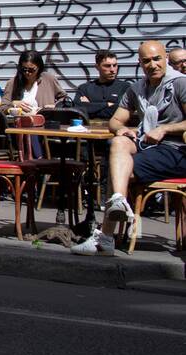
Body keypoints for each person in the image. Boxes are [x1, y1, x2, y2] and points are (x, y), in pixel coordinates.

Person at [73, 41, 186, 256]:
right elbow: (115, 121)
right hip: (149, 148)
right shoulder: (138, 89)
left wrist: (164, 129)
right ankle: (118, 204)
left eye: (156, 59)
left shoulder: (180, 84)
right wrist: (124, 129)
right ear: (140, 64)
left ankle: (104, 238)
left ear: (166, 58)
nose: (152, 64)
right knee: (118, 142)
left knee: (119, 171)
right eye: (146, 61)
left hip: (176, 150)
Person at [72, 50, 131, 121]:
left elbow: (119, 111)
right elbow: (77, 109)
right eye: (107, 66)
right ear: (97, 67)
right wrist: (107, 104)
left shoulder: (125, 87)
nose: (112, 69)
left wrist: (90, 106)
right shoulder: (85, 88)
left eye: (115, 65)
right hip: (89, 130)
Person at [1, 51, 64, 115]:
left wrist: (55, 106)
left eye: (31, 70)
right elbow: (2, 108)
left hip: (45, 121)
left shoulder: (49, 79)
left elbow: (65, 100)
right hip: (20, 123)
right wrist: (13, 104)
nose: (27, 73)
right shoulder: (13, 83)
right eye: (24, 69)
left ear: (39, 68)